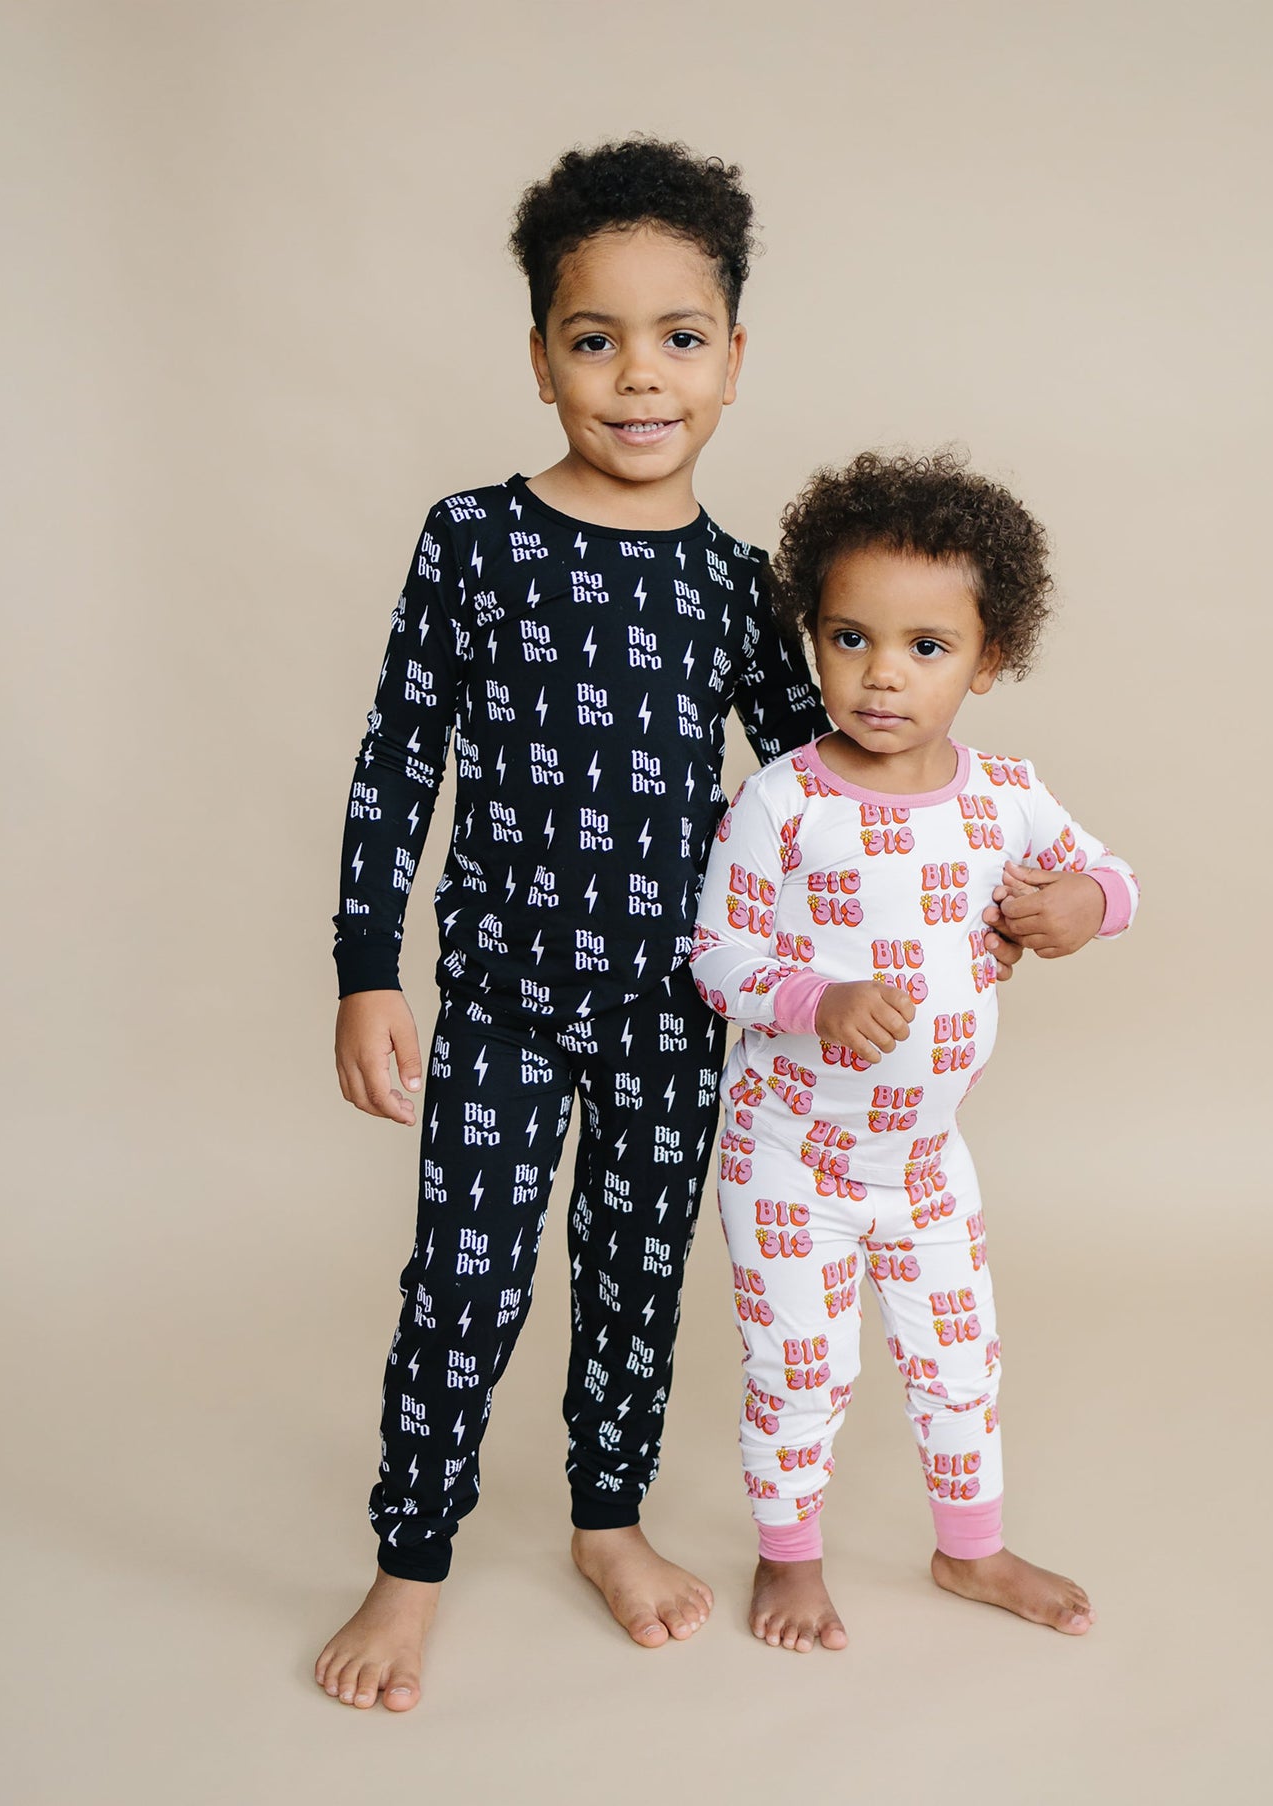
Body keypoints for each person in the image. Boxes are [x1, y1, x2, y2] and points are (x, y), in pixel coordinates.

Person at [314, 141, 1027, 1713]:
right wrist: (371, 966)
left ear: (732, 360)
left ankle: (606, 1520)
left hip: (678, 1008)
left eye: (679, 337)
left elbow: (837, 780)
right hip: (500, 997)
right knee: (465, 1285)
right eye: (596, 338)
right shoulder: (473, 538)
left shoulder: (737, 586)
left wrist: (988, 895)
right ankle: (409, 1564)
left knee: (634, 1276)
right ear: (541, 357)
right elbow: (396, 755)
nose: (639, 375)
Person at [691, 449, 1138, 1652]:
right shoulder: (783, 802)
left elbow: (1111, 875)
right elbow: (715, 956)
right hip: (791, 1163)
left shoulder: (1004, 797)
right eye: (849, 639)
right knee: (801, 1369)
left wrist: (1084, 904)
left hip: (927, 1164)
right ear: (811, 638)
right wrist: (814, 996)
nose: (881, 674)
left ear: (988, 659)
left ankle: (969, 1551)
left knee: (959, 1361)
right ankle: (788, 1558)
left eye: (925, 647)